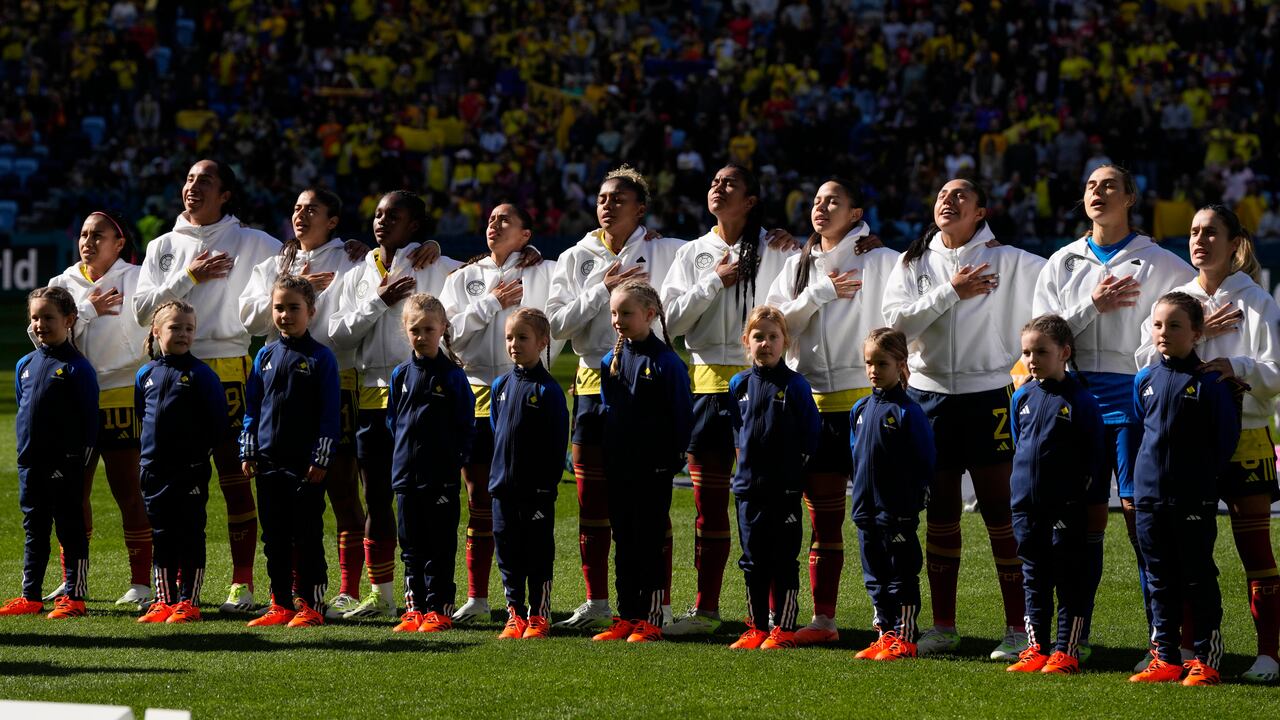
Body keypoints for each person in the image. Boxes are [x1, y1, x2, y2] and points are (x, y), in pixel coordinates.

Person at [1032, 164, 1194, 660]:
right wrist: (1090, 307)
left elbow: (1200, 303)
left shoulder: (1162, 264)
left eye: (1109, 186)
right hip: (1073, 404)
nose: (1098, 193)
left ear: (1130, 198)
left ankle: (1163, 644)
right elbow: (1038, 338)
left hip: (1135, 402)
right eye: (1090, 186)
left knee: (1141, 525)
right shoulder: (1062, 262)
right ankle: (1071, 642)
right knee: (1076, 527)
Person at [882, 177, 1045, 660]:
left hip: (989, 396)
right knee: (942, 513)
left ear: (981, 211)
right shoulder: (911, 262)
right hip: (927, 398)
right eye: (941, 195)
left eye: (961, 196)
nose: (948, 202)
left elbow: (1064, 279)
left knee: (1001, 511)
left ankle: (1019, 629)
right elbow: (894, 329)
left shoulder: (1012, 261)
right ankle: (943, 627)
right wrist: (950, 292)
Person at [1136, 205, 1280, 683]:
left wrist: (1234, 366)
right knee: (1183, 553)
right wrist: (1199, 336)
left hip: (1245, 438)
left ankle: (1268, 654)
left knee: (1254, 549)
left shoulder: (1257, 300)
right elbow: (1144, 359)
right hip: (1184, 447)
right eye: (1194, 232)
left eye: (1211, 232)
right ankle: (1183, 652)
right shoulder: (1175, 298)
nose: (1199, 240)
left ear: (1234, 241)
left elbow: (1275, 374)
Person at [133, 159, 281, 613]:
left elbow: (309, 258)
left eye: (206, 181)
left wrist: (353, 248)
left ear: (226, 194)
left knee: (235, 478)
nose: (193, 187)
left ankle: (242, 583)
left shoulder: (255, 242)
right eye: (190, 179)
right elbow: (142, 313)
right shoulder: (162, 245)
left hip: (229, 367)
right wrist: (188, 276)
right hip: (170, 373)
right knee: (174, 481)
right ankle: (175, 587)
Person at [660, 163, 797, 635]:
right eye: (714, 182)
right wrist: (713, 280)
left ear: (752, 200)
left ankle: (771, 614)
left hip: (763, 388)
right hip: (703, 389)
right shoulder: (692, 253)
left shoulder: (776, 249)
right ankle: (707, 610)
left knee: (764, 507)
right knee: (709, 505)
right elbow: (669, 321)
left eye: (730, 184)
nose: (717, 188)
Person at [546, 166, 684, 630]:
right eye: (603, 198)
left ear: (640, 209)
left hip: (647, 385)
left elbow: (727, 248)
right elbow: (555, 327)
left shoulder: (668, 251)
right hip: (591, 383)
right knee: (593, 501)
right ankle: (599, 603)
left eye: (618, 199)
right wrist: (599, 290)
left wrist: (779, 237)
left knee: (649, 504)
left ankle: (657, 603)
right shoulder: (573, 258)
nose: (607, 204)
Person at [765, 177, 899, 645]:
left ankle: (892, 623)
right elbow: (775, 327)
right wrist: (819, 292)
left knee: (880, 518)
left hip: (866, 403)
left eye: (833, 201)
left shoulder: (883, 260)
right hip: (812, 405)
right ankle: (823, 621)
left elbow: (902, 316)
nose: (820, 208)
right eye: (817, 201)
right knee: (822, 519)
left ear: (857, 213)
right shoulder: (796, 265)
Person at [329, 191, 463, 620]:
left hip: (427, 396)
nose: (382, 221)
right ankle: (383, 593)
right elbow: (338, 335)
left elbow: (480, 277)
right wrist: (378, 302)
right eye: (378, 214)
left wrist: (530, 251)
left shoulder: (435, 266)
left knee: (429, 499)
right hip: (372, 394)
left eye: (395, 215)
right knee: (380, 497)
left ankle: (434, 595)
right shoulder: (356, 272)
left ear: (415, 227)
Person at [239, 188, 366, 618]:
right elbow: (249, 317)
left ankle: (341, 591)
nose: (300, 214)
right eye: (295, 207)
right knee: (276, 528)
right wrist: (291, 287)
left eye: (311, 208)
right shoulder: (275, 263)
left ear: (332, 221)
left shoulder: (352, 258)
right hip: (279, 387)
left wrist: (430, 245)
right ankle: (282, 599)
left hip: (333, 377)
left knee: (340, 493)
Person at [441, 203, 558, 625]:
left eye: (505, 219)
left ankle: (529, 602)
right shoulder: (463, 278)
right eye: (490, 218)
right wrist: (490, 303)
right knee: (478, 497)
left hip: (526, 392)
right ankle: (478, 596)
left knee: (523, 497)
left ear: (526, 235)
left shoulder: (544, 271)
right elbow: (448, 337)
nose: (493, 223)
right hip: (475, 395)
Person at [33, 211, 152, 609]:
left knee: (128, 489)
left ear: (119, 243)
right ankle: (73, 582)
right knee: (71, 494)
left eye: (97, 235)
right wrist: (86, 309)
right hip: (73, 395)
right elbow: (43, 341)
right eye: (83, 234)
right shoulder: (61, 283)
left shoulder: (138, 278)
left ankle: (141, 582)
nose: (87, 241)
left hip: (121, 392)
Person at [1129, 292, 1240, 686]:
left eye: (1174, 325)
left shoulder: (1211, 382)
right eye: (1158, 325)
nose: (1163, 333)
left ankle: (1206, 660)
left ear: (1196, 333)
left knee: (1197, 576)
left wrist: (1200, 478)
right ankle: (1167, 658)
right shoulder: (1144, 379)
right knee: (1158, 578)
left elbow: (1225, 439)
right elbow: (1145, 427)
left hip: (1192, 495)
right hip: (1148, 498)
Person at [1005, 315, 1106, 675]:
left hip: (1066, 508)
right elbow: (1021, 445)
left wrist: (1075, 495)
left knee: (1069, 578)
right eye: (1027, 353)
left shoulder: (1082, 401)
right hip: (1026, 507)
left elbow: (1095, 457)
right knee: (1034, 577)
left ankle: (1067, 649)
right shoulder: (1022, 396)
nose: (1032, 360)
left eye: (1041, 352)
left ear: (1064, 352)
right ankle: (1037, 648)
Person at [592, 280, 692, 643]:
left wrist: (670, 458)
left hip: (653, 468)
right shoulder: (610, 361)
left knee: (648, 543)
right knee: (625, 540)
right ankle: (626, 616)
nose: (618, 320)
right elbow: (610, 410)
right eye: (614, 313)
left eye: (627, 313)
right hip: (620, 466)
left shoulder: (667, 362)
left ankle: (650, 619)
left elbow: (682, 416)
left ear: (650, 315)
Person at [240, 275, 341, 628]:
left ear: (311, 312)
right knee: (274, 536)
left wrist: (321, 458)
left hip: (305, 465)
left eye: (294, 308)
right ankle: (280, 602)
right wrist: (247, 447)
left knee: (307, 534)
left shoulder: (321, 358)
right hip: (268, 462)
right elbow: (253, 406)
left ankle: (311, 604)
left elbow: (330, 415)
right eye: (279, 308)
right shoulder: (265, 355)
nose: (285, 315)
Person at [0, 288, 98, 620]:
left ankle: (75, 595)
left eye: (48, 317)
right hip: (30, 465)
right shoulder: (25, 364)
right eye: (35, 317)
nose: (40, 324)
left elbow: (89, 422)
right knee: (35, 529)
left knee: (69, 528)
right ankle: (31, 595)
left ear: (69, 320)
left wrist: (76, 464)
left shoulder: (78, 368)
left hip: (65, 465)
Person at [725, 306, 819, 650]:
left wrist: (793, 474)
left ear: (785, 342)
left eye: (773, 337)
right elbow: (738, 430)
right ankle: (756, 626)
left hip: (784, 490)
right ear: (746, 342)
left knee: (782, 558)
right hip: (748, 489)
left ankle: (784, 626)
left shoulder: (795, 386)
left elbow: (811, 434)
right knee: (752, 559)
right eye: (758, 337)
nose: (765, 343)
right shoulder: (738, 385)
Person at [134, 301, 228, 624]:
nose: (183, 334)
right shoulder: (145, 374)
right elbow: (141, 415)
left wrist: (197, 459)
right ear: (157, 331)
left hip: (189, 473)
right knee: (161, 535)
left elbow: (218, 424)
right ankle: (164, 600)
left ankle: (189, 600)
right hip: (153, 472)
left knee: (189, 534)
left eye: (189, 328)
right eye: (175, 327)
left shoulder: (202, 375)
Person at [386, 294, 475, 633]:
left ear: (442, 330)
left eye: (428, 329)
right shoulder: (400, 374)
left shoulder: (452, 376)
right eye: (414, 330)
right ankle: (414, 609)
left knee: (439, 545)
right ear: (405, 331)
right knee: (410, 546)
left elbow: (466, 425)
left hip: (440, 478)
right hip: (406, 477)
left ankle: (438, 608)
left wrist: (454, 460)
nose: (421, 336)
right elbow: (394, 420)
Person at [849, 327, 935, 661]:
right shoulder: (859, 410)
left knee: (901, 576)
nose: (873, 370)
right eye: (869, 363)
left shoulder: (908, 412)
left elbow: (925, 461)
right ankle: (884, 634)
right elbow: (855, 458)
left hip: (896, 511)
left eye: (881, 363)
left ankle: (906, 636)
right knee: (875, 577)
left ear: (900, 365)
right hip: (865, 511)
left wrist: (909, 499)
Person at [488, 308, 569, 640]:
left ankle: (539, 614)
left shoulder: (548, 391)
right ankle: (515, 614)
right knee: (508, 555)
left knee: (536, 554)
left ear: (542, 342)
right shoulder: (500, 385)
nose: (514, 344)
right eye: (509, 337)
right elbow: (498, 430)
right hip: (503, 490)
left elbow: (555, 443)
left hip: (534, 493)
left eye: (522, 337)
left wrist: (544, 486)